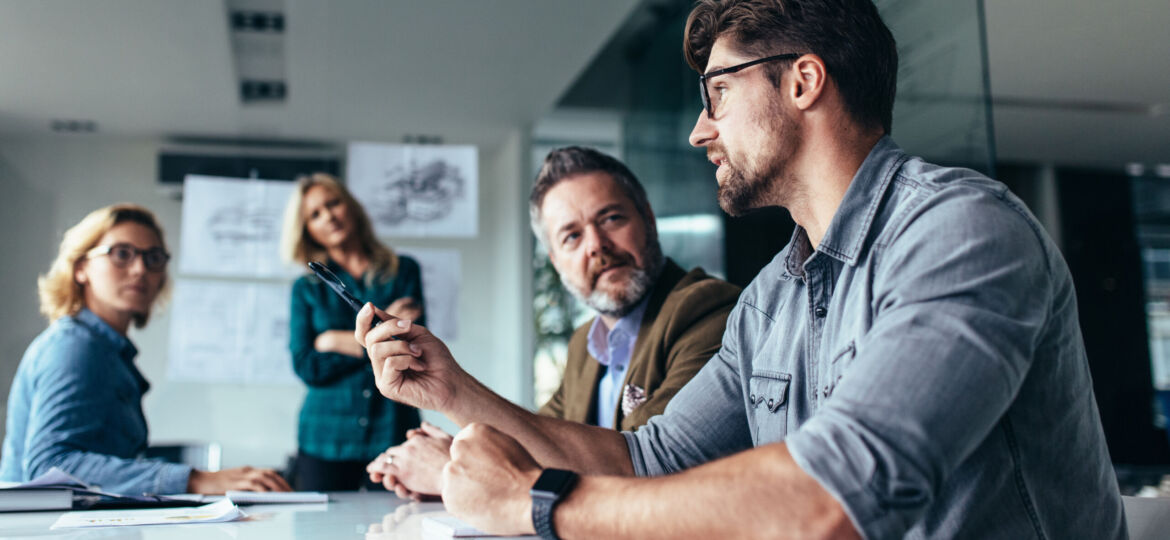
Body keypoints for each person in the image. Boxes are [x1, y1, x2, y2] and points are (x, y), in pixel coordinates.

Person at [356, 0, 1128, 538]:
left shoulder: (962, 231)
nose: (699, 130)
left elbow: (836, 501)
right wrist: (450, 388)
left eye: (718, 93)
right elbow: (647, 460)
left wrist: (539, 502)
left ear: (802, 81)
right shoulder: (772, 300)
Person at [365, 147, 741, 499]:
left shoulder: (708, 310)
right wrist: (459, 445)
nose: (596, 245)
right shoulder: (585, 344)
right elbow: (538, 443)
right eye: (572, 236)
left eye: (611, 218)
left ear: (648, 218)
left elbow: (643, 470)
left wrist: (452, 468)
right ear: (555, 260)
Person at [1, 204, 290, 495]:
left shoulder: (108, 351)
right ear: (81, 268)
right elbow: (49, 467)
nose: (140, 269)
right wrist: (195, 479)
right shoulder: (75, 346)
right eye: (121, 254)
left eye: (153, 258)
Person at [281, 173, 424, 491]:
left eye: (333, 204)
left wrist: (332, 340)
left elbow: (411, 349)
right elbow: (307, 365)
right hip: (325, 437)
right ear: (307, 230)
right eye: (315, 214)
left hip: (392, 430)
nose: (328, 216)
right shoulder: (306, 289)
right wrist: (377, 340)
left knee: (397, 529)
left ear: (351, 207)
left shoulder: (404, 271)